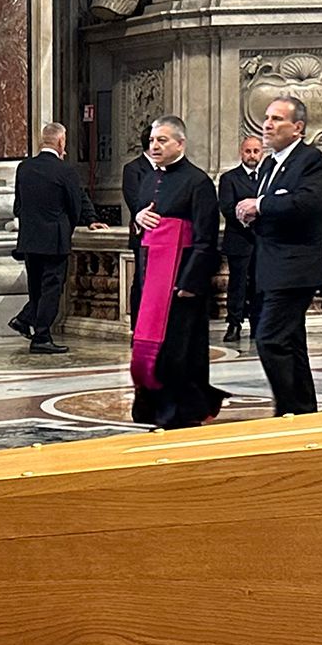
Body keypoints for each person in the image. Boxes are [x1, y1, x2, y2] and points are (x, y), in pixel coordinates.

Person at [128, 116, 226, 427]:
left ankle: (181, 411)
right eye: (153, 141)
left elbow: (206, 237)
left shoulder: (198, 182)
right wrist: (137, 218)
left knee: (179, 349)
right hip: (150, 277)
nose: (154, 146)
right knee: (148, 345)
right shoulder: (147, 178)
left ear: (180, 144)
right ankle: (153, 408)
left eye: (162, 141)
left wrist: (190, 282)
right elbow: (141, 229)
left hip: (181, 279)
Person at [235, 96, 322, 415]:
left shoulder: (310, 160)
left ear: (298, 128)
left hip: (295, 267)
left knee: (270, 339)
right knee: (290, 343)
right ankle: (302, 410)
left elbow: (307, 203)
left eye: (277, 118)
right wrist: (251, 215)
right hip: (269, 266)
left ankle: (288, 410)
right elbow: (273, 208)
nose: (267, 124)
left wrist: (260, 205)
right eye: (266, 118)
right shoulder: (268, 164)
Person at [11, 122, 104, 354]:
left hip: (30, 240)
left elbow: (18, 206)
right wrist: (85, 220)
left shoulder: (24, 168)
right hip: (55, 240)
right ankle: (41, 336)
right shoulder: (65, 171)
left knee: (36, 288)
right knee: (52, 288)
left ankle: (25, 320)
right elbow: (75, 204)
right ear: (61, 142)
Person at [217, 134, 265, 342]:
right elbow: (227, 207)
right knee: (237, 285)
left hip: (262, 241)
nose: (252, 155)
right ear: (241, 152)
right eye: (248, 151)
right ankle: (234, 324)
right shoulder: (229, 178)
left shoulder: (267, 176)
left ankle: (258, 324)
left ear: (261, 153)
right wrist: (248, 219)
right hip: (239, 239)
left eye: (256, 151)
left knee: (259, 283)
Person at [122, 125, 158, 329]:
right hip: (144, 234)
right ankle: (139, 327)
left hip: (167, 235)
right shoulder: (133, 169)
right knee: (142, 281)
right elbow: (134, 201)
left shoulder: (169, 169)